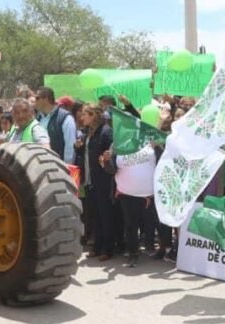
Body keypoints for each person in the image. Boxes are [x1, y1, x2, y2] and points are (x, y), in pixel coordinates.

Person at [101, 140, 160, 268]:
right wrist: (106, 160)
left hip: (149, 194)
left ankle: (158, 249)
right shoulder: (118, 145)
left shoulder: (150, 143)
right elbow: (111, 170)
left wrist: (159, 145)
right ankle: (133, 253)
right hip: (127, 194)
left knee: (152, 222)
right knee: (130, 225)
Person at [77, 105, 115, 261]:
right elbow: (86, 154)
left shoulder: (105, 132)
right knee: (95, 215)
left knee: (105, 215)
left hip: (102, 180)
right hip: (90, 180)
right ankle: (97, 246)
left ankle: (108, 249)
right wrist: (78, 147)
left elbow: (111, 152)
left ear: (93, 116)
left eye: (85, 114)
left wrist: (107, 156)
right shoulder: (87, 132)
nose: (82, 117)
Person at [35, 86, 77, 164]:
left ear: (45, 99)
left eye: (37, 98)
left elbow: (70, 147)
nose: (35, 101)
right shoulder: (38, 119)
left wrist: (67, 168)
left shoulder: (65, 118)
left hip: (59, 170)